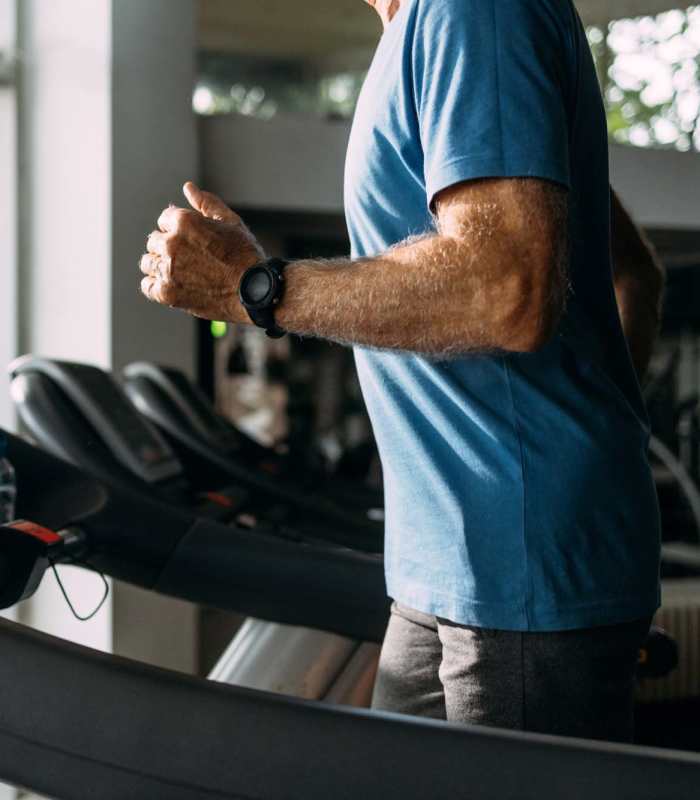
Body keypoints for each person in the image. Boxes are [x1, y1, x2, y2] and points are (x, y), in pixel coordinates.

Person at [140, 0, 665, 742]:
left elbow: (504, 290)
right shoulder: (418, 30)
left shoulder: (473, 15)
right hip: (449, 565)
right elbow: (632, 274)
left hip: (516, 570)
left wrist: (256, 289)